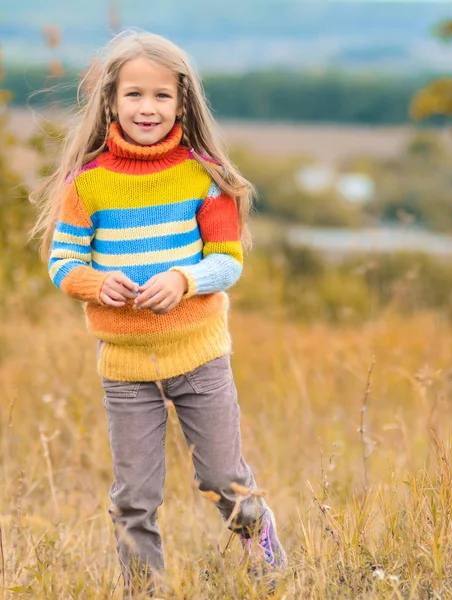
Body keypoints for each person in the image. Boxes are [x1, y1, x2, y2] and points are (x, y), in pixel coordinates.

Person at [30, 29, 286, 595]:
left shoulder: (204, 174)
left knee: (224, 480)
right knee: (134, 497)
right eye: (134, 95)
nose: (148, 108)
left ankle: (273, 572)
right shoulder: (89, 184)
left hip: (199, 355)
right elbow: (64, 261)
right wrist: (96, 283)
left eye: (161, 96)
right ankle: (142, 589)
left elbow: (227, 262)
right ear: (111, 102)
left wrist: (183, 278)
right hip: (125, 367)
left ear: (183, 102)